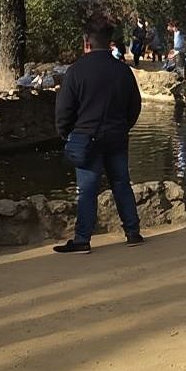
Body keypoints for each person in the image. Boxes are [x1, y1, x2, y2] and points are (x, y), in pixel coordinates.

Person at [52, 18, 145, 254]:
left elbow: (64, 109)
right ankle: (133, 232)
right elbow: (135, 105)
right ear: (110, 42)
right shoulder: (123, 71)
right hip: (116, 135)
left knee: (87, 190)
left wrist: (66, 133)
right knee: (121, 183)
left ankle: (83, 239)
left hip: (86, 136)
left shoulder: (76, 71)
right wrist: (124, 126)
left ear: (87, 43)